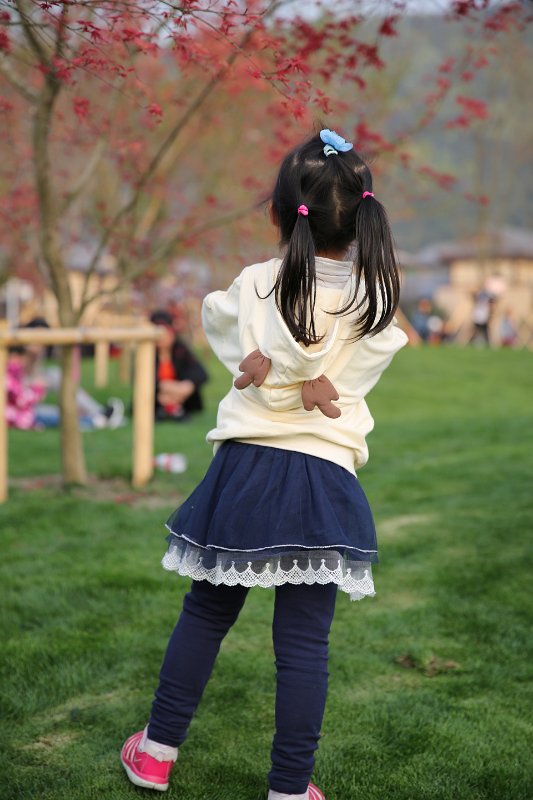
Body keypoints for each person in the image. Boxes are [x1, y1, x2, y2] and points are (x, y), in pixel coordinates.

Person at [120, 128, 408, 799]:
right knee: (304, 644)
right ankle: (289, 789)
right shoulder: (371, 301)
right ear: (361, 218)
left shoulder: (254, 284)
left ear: (277, 213)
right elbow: (368, 361)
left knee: (206, 613)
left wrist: (268, 372)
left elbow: (220, 324)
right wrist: (315, 382)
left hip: (246, 470)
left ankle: (155, 754)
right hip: (322, 476)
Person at [5, 318, 124, 431]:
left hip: (28, 395)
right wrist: (37, 388)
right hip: (20, 399)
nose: (40, 343)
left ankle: (98, 413)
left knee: (57, 376)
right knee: (45, 412)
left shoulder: (38, 355)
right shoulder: (15, 354)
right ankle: (95, 419)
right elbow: (16, 389)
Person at [150, 309, 208, 422]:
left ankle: (173, 408)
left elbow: (200, 373)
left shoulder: (180, 350)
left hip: (181, 396)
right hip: (157, 397)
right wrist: (164, 386)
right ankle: (168, 409)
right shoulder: (147, 353)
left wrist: (186, 386)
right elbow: (142, 378)